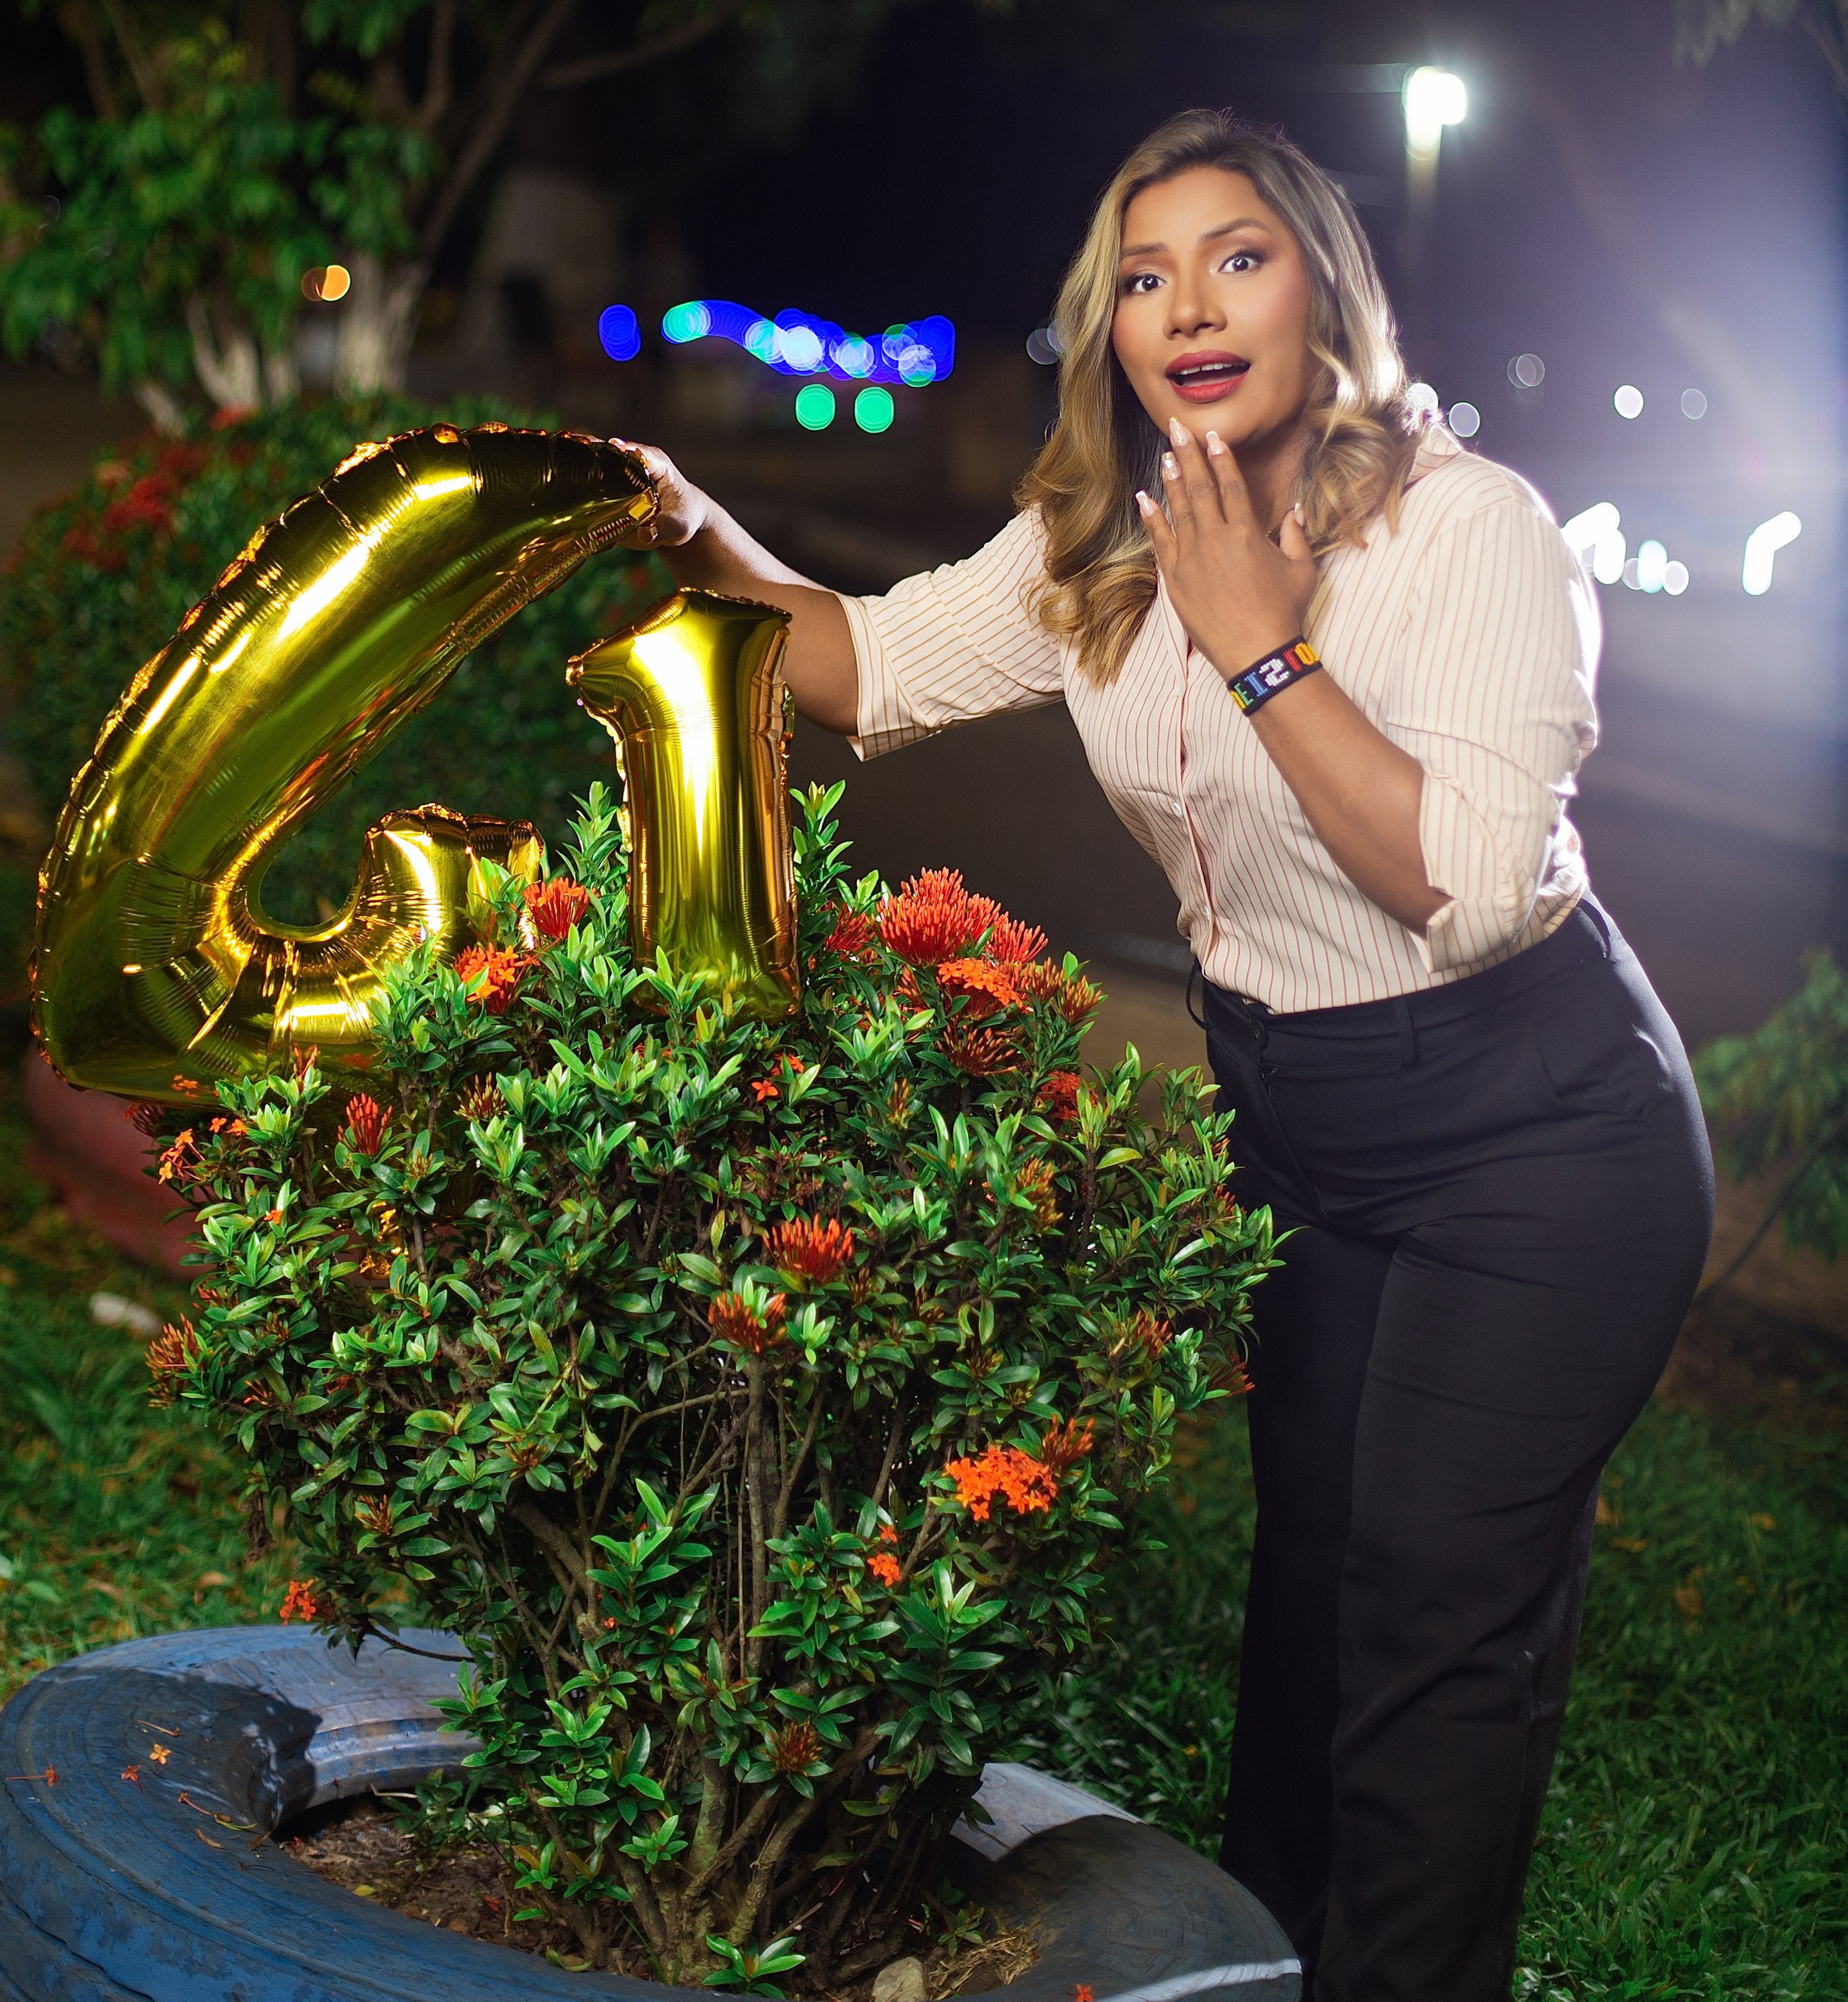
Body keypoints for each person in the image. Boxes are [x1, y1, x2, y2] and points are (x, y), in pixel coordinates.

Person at [624, 108, 1715, 2002]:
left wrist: (1266, 650)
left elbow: (1455, 886)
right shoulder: (1105, 544)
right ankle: (1273, 1975)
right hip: (1309, 1126)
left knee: (1433, 1625)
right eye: (1142, 275)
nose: (1186, 306)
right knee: (1305, 1617)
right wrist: (677, 524)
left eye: (1237, 257)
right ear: (1108, 327)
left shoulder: (1474, 533)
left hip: (1539, 1138)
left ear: (1327, 291)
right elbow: (862, 671)